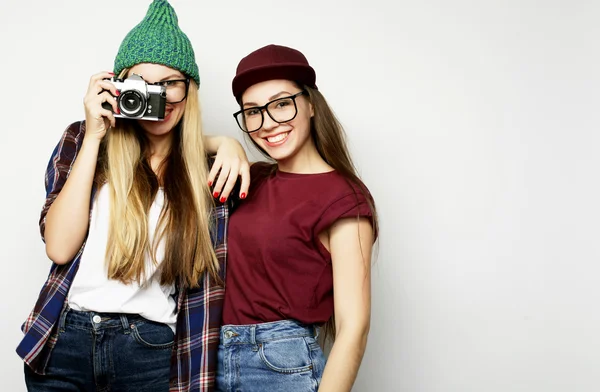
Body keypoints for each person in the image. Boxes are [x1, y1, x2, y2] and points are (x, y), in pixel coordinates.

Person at [16, 1, 249, 390]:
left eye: (171, 83)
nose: (158, 97)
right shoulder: (82, 140)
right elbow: (59, 248)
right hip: (65, 341)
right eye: (143, 83)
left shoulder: (208, 172)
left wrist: (228, 143)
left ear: (189, 90)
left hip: (149, 350)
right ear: (120, 87)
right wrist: (94, 134)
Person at [215, 44, 379, 392]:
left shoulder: (343, 196)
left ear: (309, 105)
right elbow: (167, 156)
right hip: (212, 359)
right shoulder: (250, 177)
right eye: (252, 111)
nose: (267, 123)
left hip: (281, 367)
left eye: (281, 104)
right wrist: (224, 143)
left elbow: (354, 327)